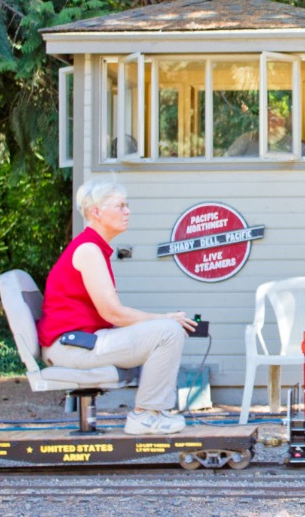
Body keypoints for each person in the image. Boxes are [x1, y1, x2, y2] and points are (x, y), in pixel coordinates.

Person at [37, 178, 197, 435]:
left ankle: (153, 412)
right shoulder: (88, 250)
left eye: (126, 205)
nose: (127, 211)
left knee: (166, 329)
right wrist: (164, 318)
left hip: (80, 341)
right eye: (120, 205)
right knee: (168, 332)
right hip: (71, 347)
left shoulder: (93, 248)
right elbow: (112, 313)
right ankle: (146, 416)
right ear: (97, 212)